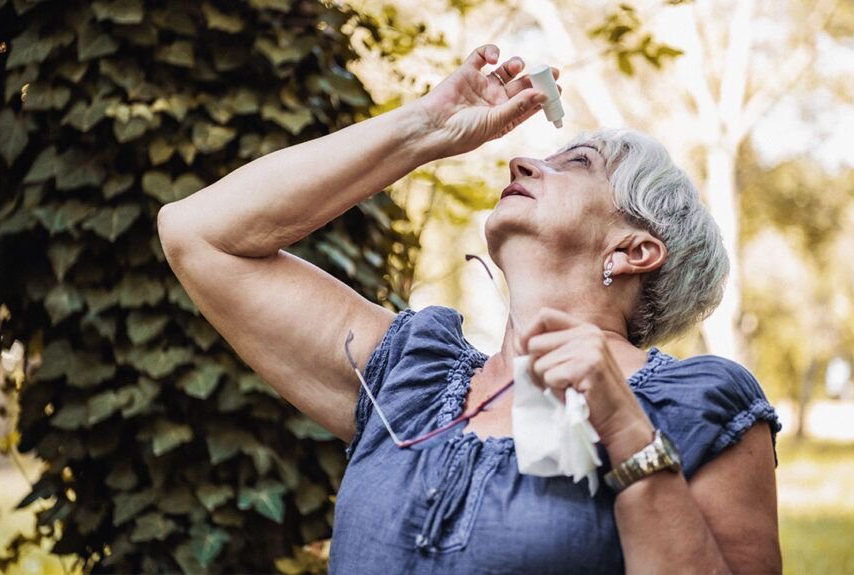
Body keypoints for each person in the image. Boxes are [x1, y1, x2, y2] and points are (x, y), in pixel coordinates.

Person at [158, 44, 782, 574]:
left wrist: (624, 431)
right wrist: (425, 128)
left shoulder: (700, 402)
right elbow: (198, 233)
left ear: (635, 249)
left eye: (577, 163)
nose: (521, 160)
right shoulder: (410, 374)